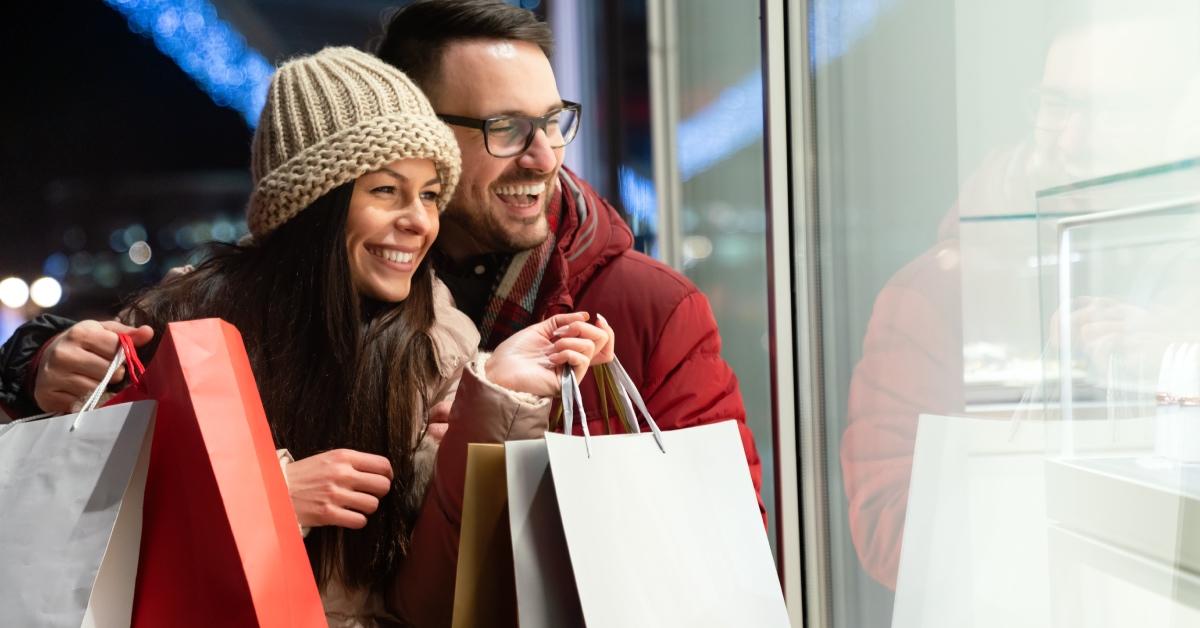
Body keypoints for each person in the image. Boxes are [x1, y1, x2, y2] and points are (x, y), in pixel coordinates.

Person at [6, 46, 613, 627]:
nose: (419, 221)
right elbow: (87, 524)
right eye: (385, 191)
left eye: (430, 195)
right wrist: (262, 503)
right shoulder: (181, 323)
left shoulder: (438, 344)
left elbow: (431, 601)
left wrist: (498, 399)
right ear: (311, 206)